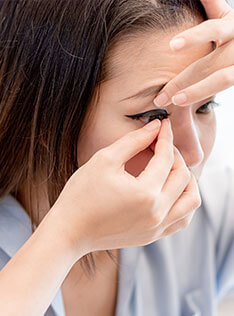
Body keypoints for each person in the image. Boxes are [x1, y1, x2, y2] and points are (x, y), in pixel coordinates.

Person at [0, 0, 233, 315]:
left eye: (205, 106)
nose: (194, 153)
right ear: (44, 115)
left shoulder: (205, 209)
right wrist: (65, 238)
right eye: (152, 115)